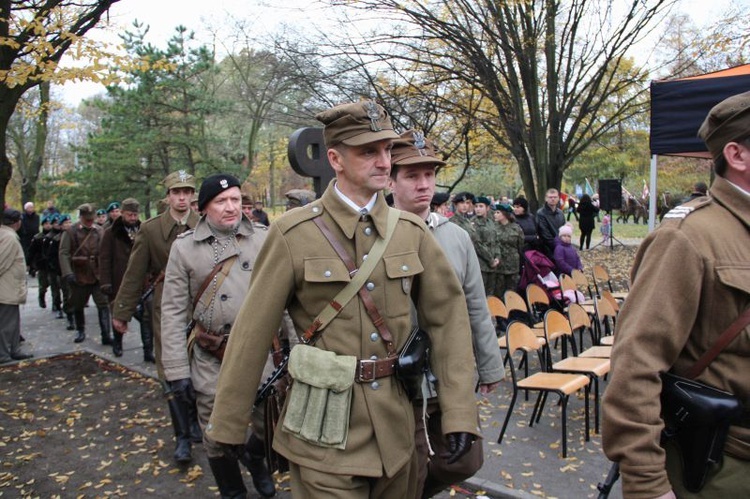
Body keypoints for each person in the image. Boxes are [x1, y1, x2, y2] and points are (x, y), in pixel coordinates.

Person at [207, 100, 479, 498]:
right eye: (368, 151)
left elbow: (449, 324)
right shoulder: (292, 234)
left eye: (386, 149)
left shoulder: (410, 233)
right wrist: (228, 423)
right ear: (334, 158)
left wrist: (459, 414)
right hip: (323, 430)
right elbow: (252, 332)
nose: (384, 162)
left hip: (397, 429)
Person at [602, 91, 750, 498]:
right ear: (736, 155)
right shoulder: (688, 239)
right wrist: (648, 485)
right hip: (721, 469)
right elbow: (635, 367)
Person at [388, 129, 503, 498]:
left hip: (446, 373)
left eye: (429, 175)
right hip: (397, 378)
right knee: (409, 464)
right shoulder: (376, 235)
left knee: (466, 459)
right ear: (390, 179)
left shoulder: (456, 237)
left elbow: (475, 304)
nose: (424, 185)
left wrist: (490, 365)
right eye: (412, 175)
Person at [161, 174, 277, 498]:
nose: (231, 207)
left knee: (268, 421)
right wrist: (176, 371)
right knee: (217, 434)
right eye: (221, 201)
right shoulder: (184, 249)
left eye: (236, 200)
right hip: (213, 355)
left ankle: (255, 458)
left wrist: (295, 348)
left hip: (260, 353)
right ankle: (233, 491)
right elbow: (171, 312)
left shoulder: (263, 239)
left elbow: (282, 299)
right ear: (204, 208)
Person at [111, 170, 201, 464]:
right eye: (177, 192)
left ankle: (197, 420)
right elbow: (134, 274)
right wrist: (121, 312)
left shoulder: (204, 225)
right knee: (171, 371)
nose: (182, 198)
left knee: (202, 366)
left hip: (202, 309)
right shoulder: (150, 231)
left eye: (187, 192)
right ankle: (182, 437)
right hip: (167, 311)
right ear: (168, 197)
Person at [99, 198, 154, 362]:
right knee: (120, 313)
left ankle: (148, 350)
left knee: (146, 317)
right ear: (122, 213)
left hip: (143, 281)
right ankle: (118, 343)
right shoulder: (111, 232)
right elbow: (104, 259)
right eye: (129, 214)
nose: (132, 218)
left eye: (135, 214)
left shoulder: (144, 229)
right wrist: (106, 282)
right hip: (119, 280)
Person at [59, 204, 112, 345]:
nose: (89, 221)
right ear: (81, 217)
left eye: (91, 218)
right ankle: (80, 330)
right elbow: (63, 253)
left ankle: (106, 334)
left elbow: (106, 252)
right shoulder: (71, 232)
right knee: (79, 303)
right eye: (87, 218)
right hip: (80, 274)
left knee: (103, 304)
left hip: (98, 274)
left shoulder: (100, 230)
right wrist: (68, 273)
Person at [0, 209, 33, 364]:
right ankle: (4, 354)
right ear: (17, 222)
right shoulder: (9, 238)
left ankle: (14, 350)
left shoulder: (6, 235)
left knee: (12, 322)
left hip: (8, 288)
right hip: (6, 289)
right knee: (6, 324)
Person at [493, 203, 524, 297]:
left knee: (512, 292)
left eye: (498, 212)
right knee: (498, 292)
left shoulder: (516, 228)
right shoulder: (494, 228)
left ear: (505, 214)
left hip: (512, 265)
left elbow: (520, 245)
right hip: (499, 265)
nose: (495, 214)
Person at [473, 196, 501, 297]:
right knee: (480, 294)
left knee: (491, 294)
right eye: (476, 206)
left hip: (493, 265)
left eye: (481, 206)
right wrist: (491, 260)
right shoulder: (473, 223)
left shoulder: (491, 222)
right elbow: (477, 244)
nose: (478, 209)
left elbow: (496, 241)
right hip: (481, 265)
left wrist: (498, 257)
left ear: (487, 208)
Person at [28, 215, 52, 308]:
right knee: (43, 285)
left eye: (50, 223)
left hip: (52, 265)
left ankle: (56, 304)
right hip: (41, 264)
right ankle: (41, 297)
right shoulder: (38, 238)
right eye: (46, 224)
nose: (48, 225)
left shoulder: (54, 237)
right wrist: (31, 265)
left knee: (55, 285)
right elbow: (32, 252)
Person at [536, 188, 565, 258]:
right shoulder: (541, 213)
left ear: (558, 198)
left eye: (555, 197)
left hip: (561, 248)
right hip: (547, 250)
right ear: (546, 198)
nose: (553, 199)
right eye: (550, 197)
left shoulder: (560, 213)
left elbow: (564, 231)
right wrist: (559, 246)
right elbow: (545, 235)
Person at [19, 201, 39, 265]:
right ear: (26, 208)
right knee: (26, 251)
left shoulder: (36, 216)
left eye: (32, 207)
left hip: (34, 235)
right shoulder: (22, 216)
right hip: (25, 237)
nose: (31, 209)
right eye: (29, 207)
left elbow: (37, 225)